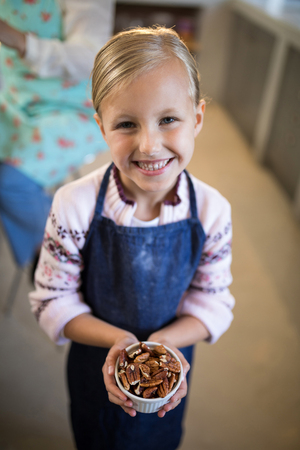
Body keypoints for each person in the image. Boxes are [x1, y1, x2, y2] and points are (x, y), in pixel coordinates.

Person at [29, 27, 235, 450]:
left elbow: (213, 302)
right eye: (126, 123)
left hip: (172, 357)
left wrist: (163, 345)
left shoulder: (213, 212)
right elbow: (53, 300)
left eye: (168, 120)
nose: (149, 144)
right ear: (101, 125)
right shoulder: (73, 205)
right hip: (94, 359)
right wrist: (120, 343)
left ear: (196, 119)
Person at [0, 0, 114, 268]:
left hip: (75, 106)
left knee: (11, 181)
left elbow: (93, 59)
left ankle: (60, 259)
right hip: (16, 98)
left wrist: (21, 41)